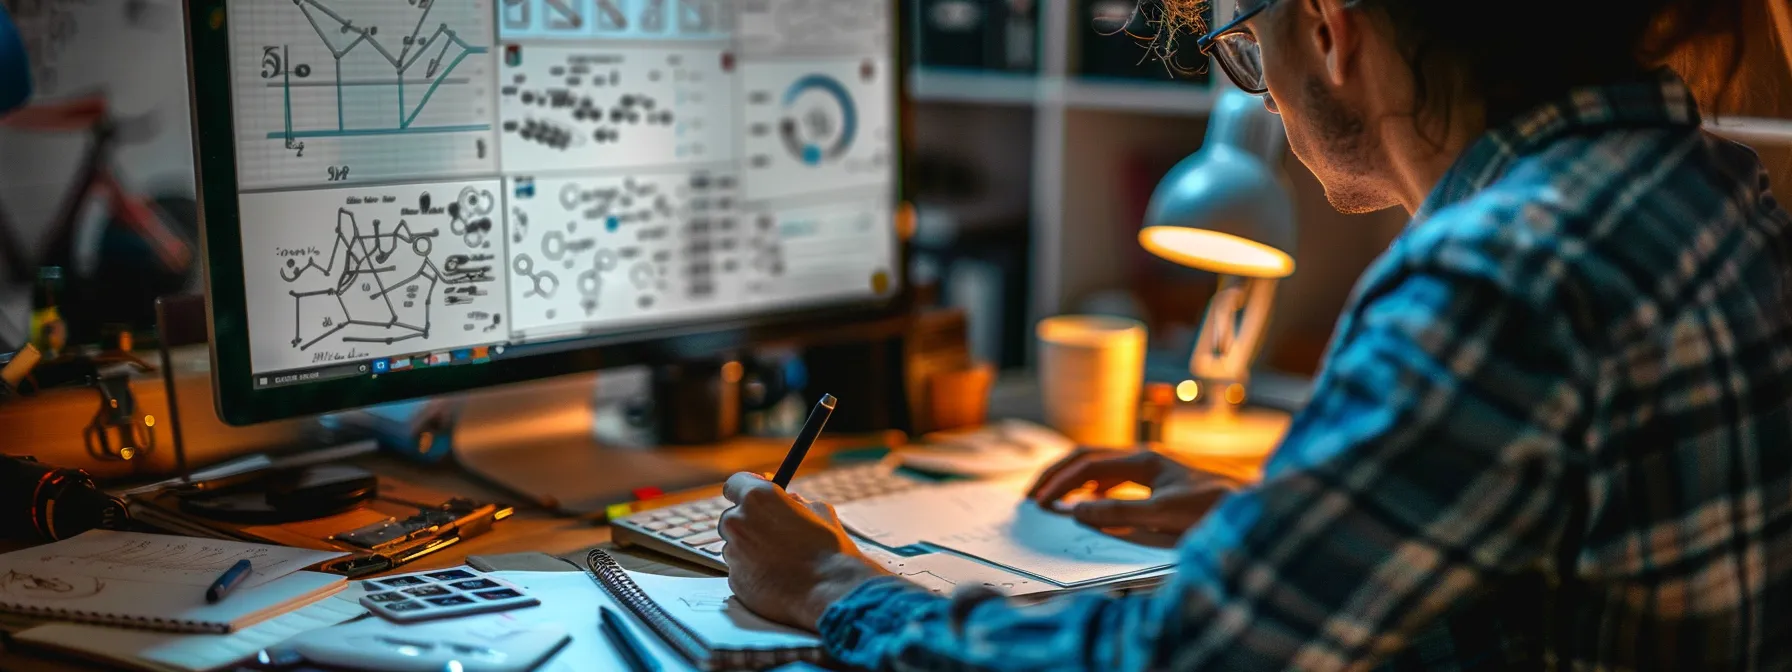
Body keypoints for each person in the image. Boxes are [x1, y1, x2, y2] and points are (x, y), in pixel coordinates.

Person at [716, 0, 1792, 668]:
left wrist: (836, 589)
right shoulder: (1711, 190)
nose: (1262, 94)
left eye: (1245, 50)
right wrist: (1283, 525)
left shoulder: (1497, 275)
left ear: (1329, 28)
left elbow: (1178, 661)